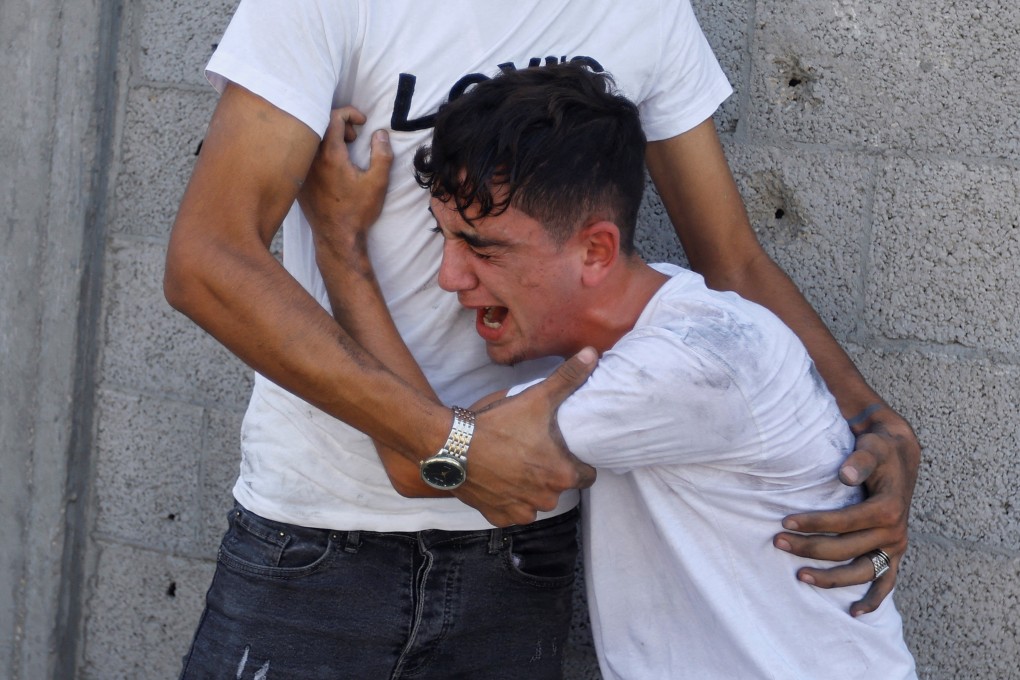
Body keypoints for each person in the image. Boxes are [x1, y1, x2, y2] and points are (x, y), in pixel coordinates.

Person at [164, 0, 919, 676]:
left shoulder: (646, 13)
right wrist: (446, 443)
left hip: (525, 541)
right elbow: (207, 258)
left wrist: (869, 426)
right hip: (321, 528)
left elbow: (730, 257)